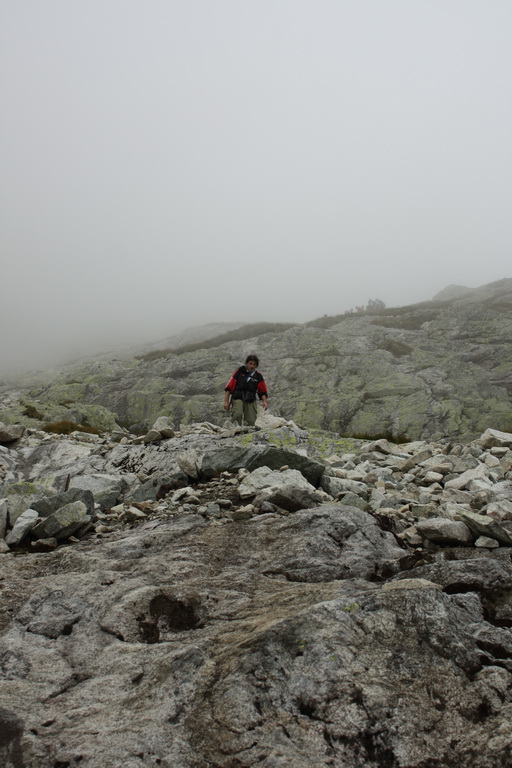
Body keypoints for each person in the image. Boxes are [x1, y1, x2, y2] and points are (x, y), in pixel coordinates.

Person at [224, 354, 268, 426]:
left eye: (254, 364)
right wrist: (226, 401)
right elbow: (229, 387)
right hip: (238, 398)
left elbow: (262, 391)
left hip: (250, 400)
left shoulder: (258, 376)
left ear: (256, 366)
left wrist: (265, 402)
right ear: (246, 363)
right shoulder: (239, 372)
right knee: (237, 414)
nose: (252, 366)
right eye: (250, 363)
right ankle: (234, 430)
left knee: (251, 422)